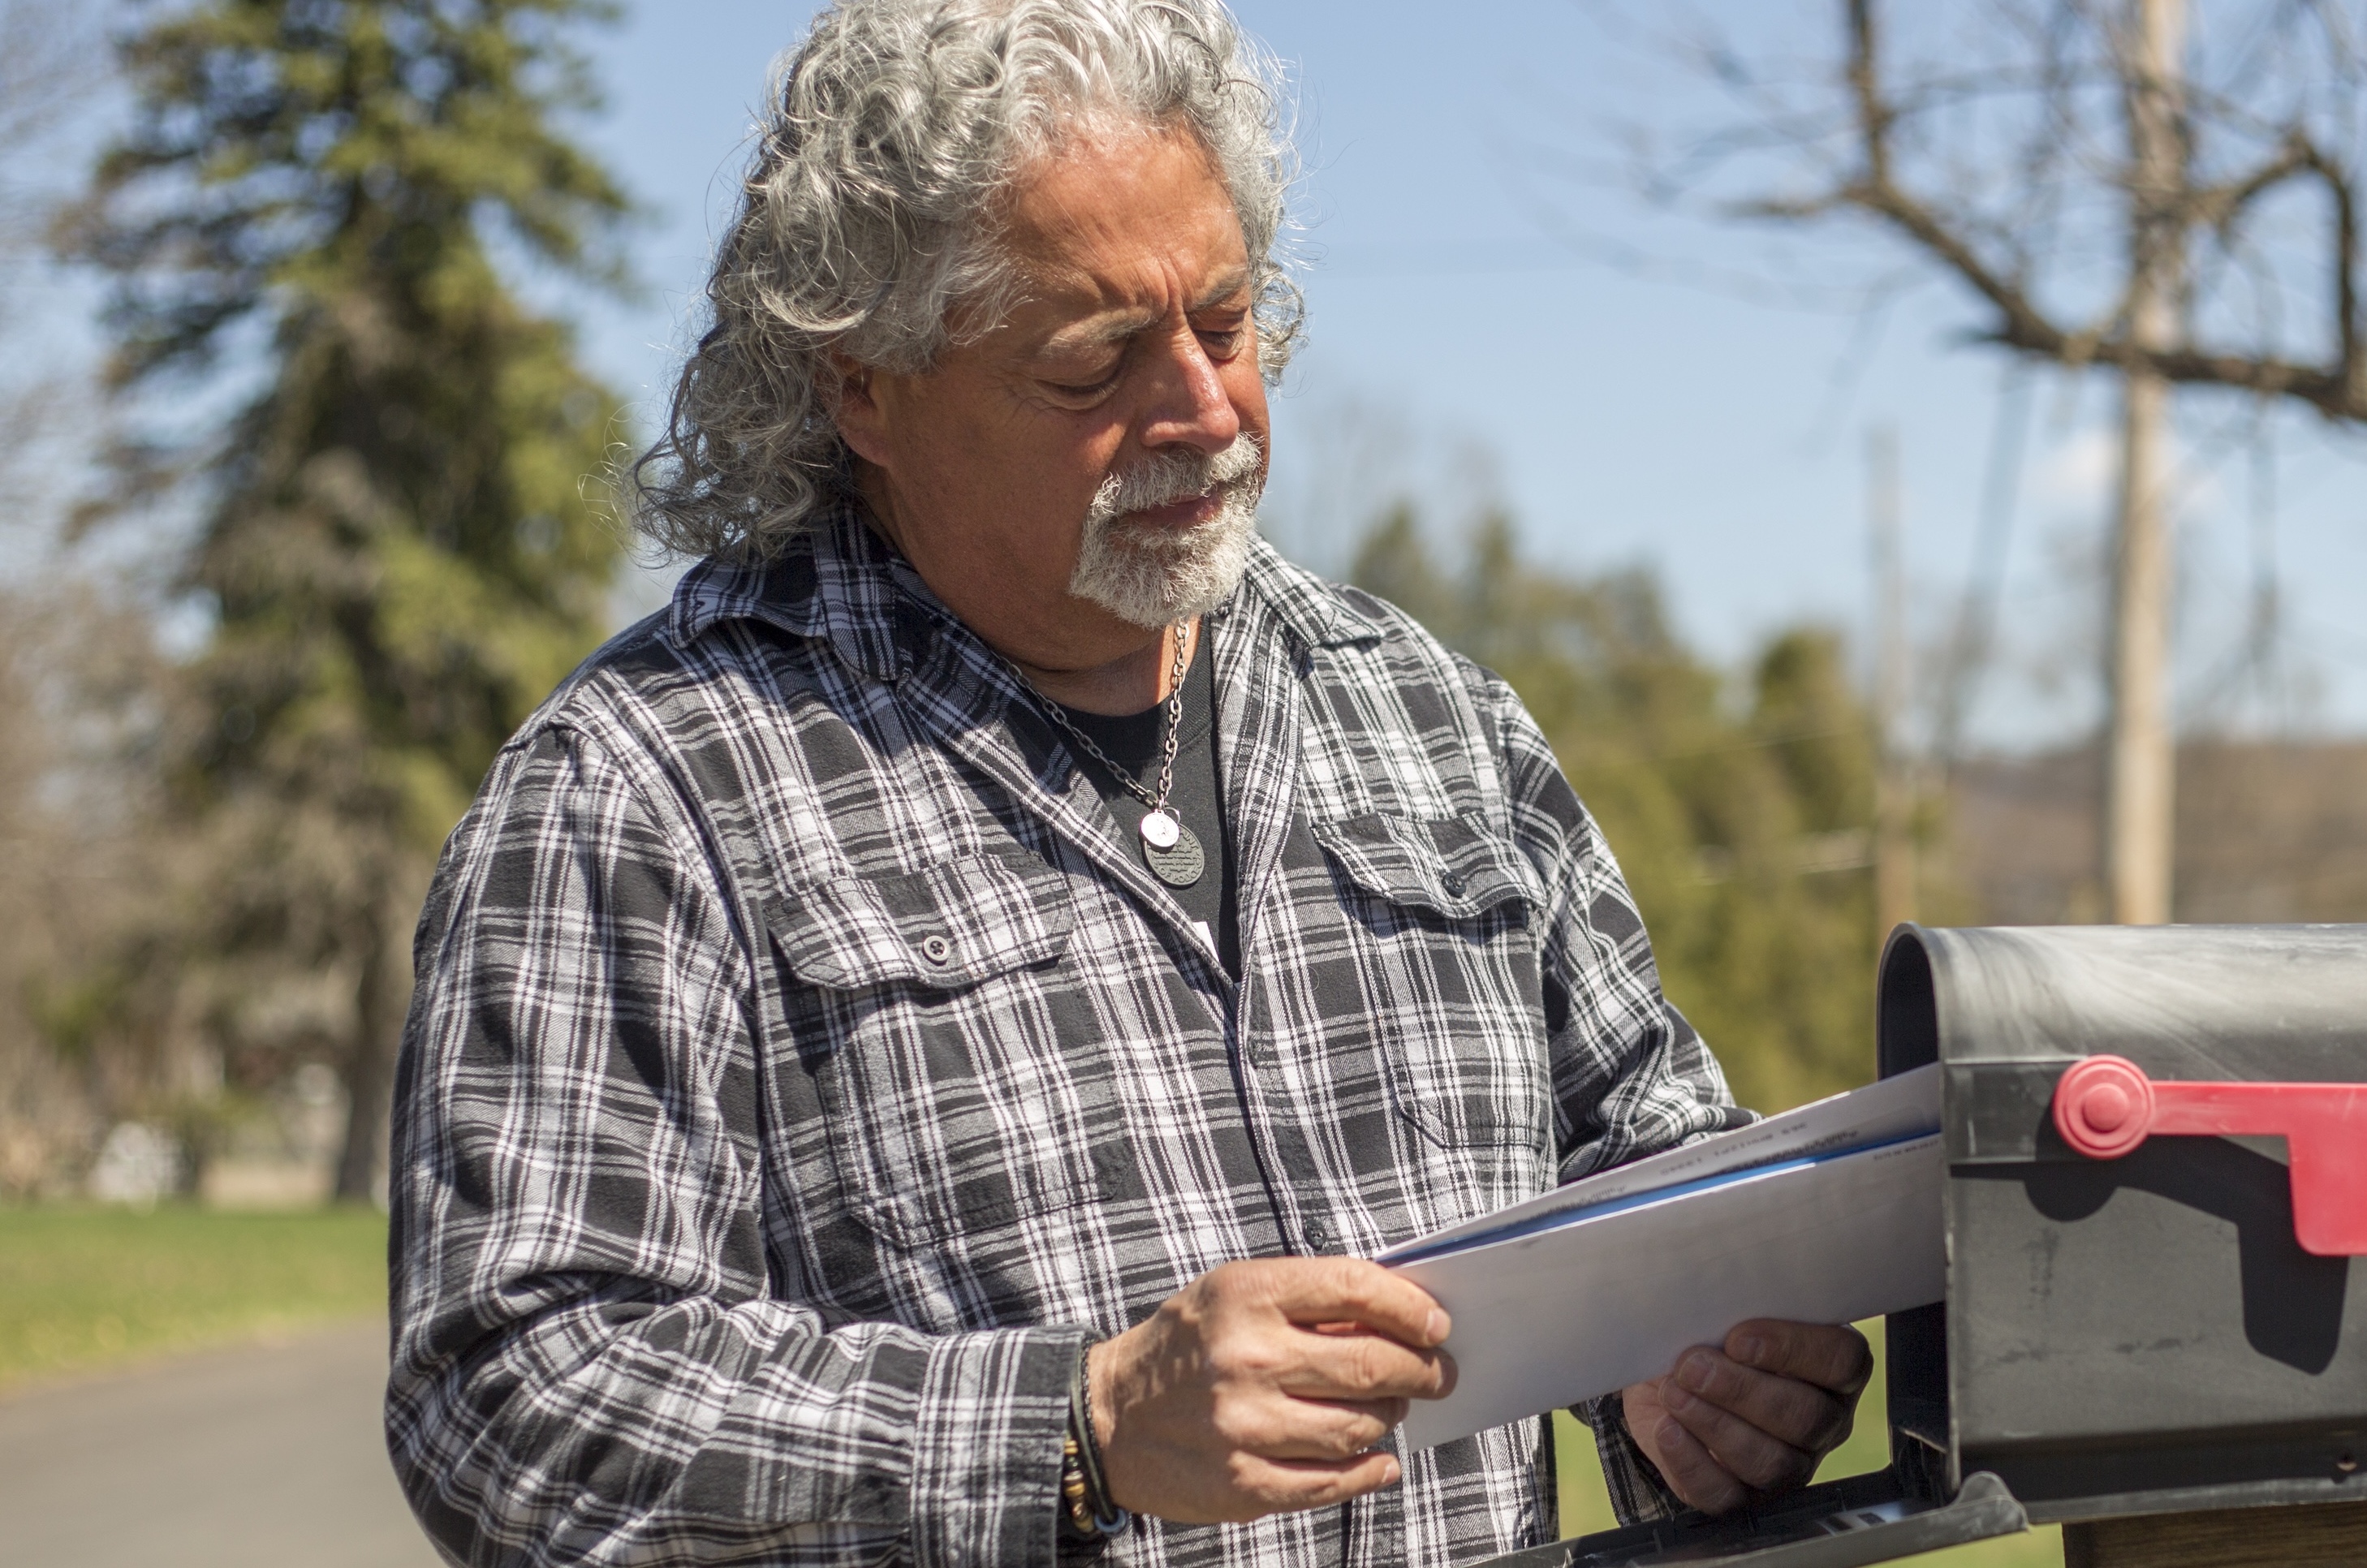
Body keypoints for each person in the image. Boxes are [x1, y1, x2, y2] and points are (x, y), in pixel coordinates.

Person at [382, 2, 1871, 1563]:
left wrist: (1698, 1378)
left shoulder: (1432, 716)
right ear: (862, 387)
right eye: (1092, 363)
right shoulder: (641, 788)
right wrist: (1077, 1430)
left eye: (1224, 324)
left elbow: (1647, 1162)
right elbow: (508, 1402)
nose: (1205, 411)